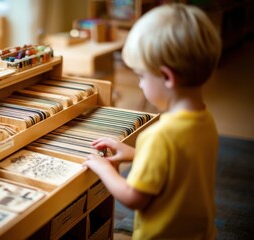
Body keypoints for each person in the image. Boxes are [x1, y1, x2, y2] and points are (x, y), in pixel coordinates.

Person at [83, 3, 221, 240]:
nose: (139, 84)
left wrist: (105, 170)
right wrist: (136, 153)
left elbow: (133, 197)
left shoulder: (158, 136)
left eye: (141, 76)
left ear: (167, 77)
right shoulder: (204, 119)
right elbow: (178, 163)